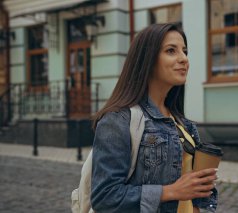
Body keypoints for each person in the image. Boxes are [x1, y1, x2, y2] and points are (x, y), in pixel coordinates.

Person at [90, 23, 218, 213]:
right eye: (171, 51)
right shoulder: (118, 119)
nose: (184, 59)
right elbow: (105, 197)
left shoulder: (182, 122)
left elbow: (193, 192)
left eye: (184, 51)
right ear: (147, 60)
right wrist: (170, 192)